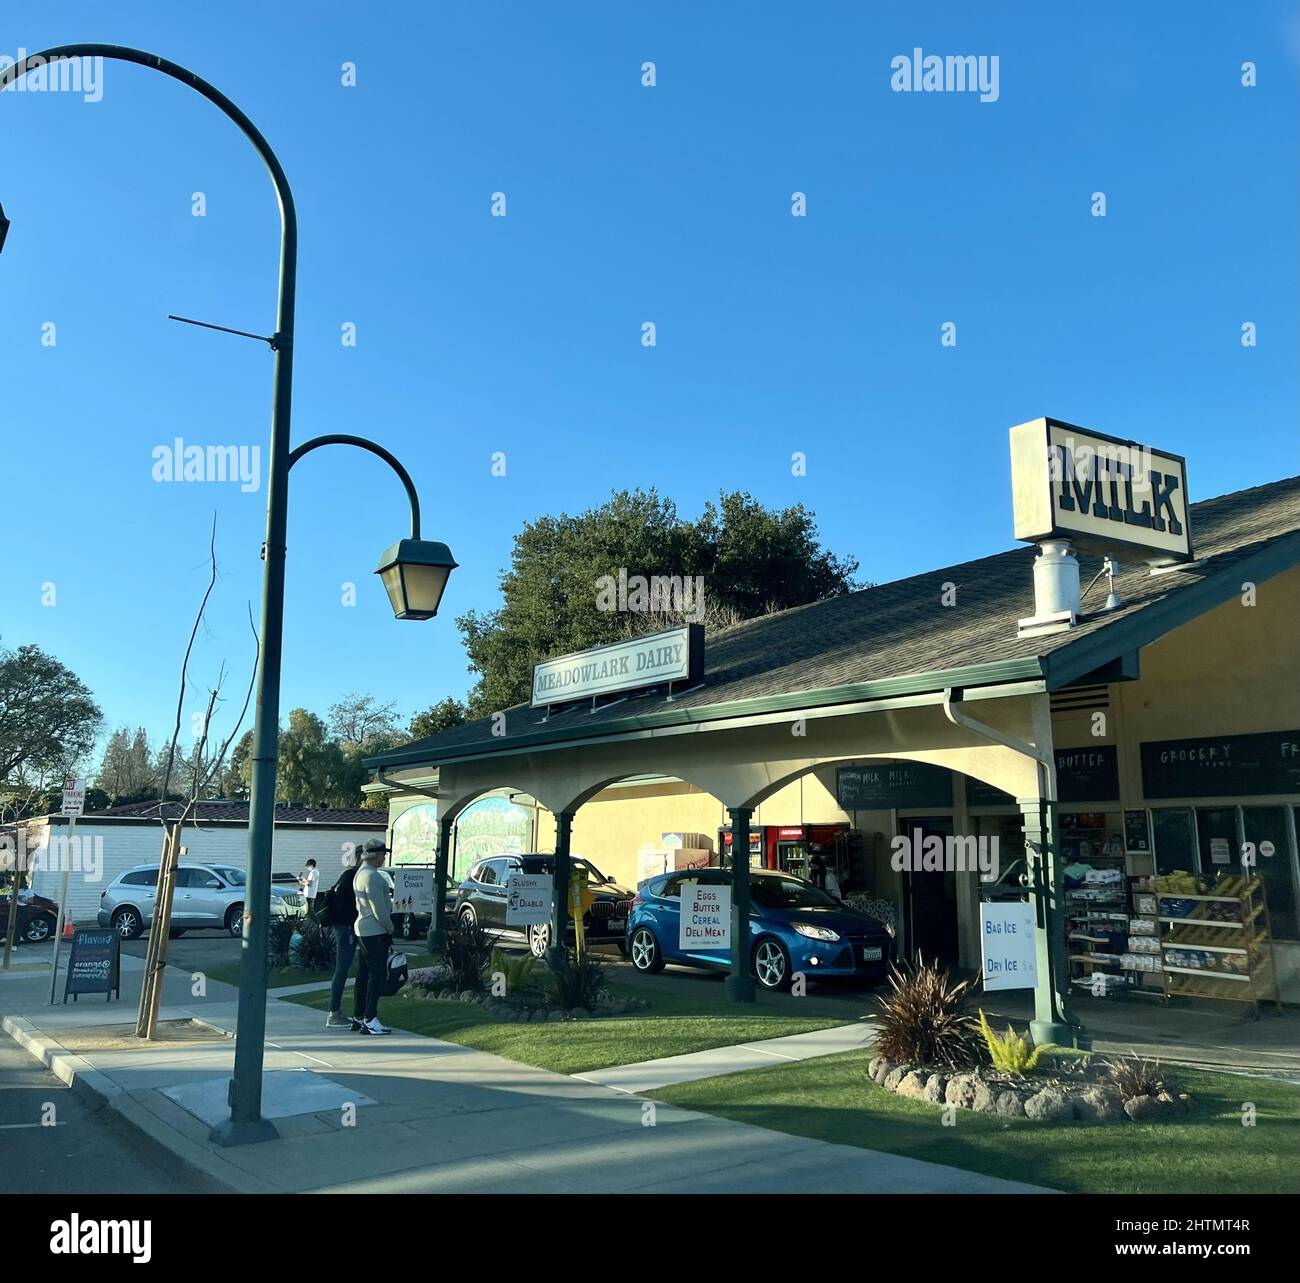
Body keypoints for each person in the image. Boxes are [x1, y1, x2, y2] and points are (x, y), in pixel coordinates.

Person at [352, 838, 394, 1036]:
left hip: (363, 929)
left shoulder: (360, 873)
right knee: (376, 975)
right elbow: (380, 909)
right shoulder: (374, 877)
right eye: (383, 854)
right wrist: (390, 927)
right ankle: (370, 1018)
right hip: (375, 931)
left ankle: (359, 1015)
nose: (384, 857)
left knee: (363, 975)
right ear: (376, 856)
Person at [324, 847, 363, 1030]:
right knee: (342, 968)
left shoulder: (347, 876)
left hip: (343, 926)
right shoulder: (353, 877)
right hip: (346, 928)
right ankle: (334, 1013)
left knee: (343, 968)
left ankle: (336, 1011)